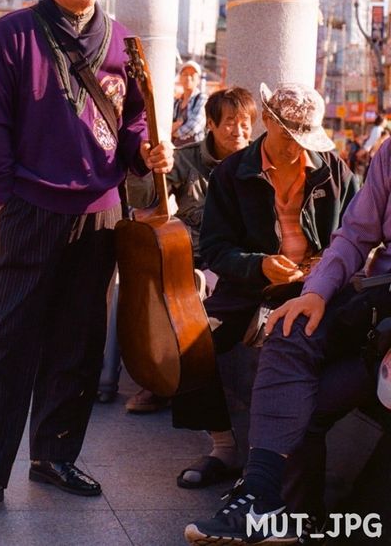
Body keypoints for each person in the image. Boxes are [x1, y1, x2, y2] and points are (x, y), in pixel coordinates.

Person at [0, 0, 174, 521]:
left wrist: (145, 152)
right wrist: (11, 196)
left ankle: (54, 455)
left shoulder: (123, 41)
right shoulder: (14, 33)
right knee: (6, 342)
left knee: (78, 343)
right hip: (31, 209)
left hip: (100, 214)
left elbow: (132, 123)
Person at [184, 135, 391, 546]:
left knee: (308, 404)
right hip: (375, 302)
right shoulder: (233, 171)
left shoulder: (332, 169)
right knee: (290, 324)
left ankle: (296, 516)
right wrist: (316, 291)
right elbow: (354, 235)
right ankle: (262, 497)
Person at [173, 82, 357, 491]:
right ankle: (223, 446)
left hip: (319, 288)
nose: (296, 146)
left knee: (303, 343)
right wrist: (259, 266)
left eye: (303, 138)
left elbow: (357, 235)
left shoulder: (334, 170)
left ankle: (280, 469)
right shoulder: (231, 173)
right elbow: (216, 249)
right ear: (268, 121)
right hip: (249, 286)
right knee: (189, 343)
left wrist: (325, 268)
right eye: (288, 136)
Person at [125, 86, 258, 414]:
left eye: (245, 123)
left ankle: (193, 384)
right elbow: (143, 200)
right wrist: (147, 165)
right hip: (192, 255)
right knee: (162, 290)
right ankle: (158, 378)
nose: (238, 131)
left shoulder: (258, 162)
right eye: (229, 122)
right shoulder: (187, 159)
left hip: (237, 260)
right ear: (210, 124)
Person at [172, 60, 207, 147]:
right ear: (180, 78)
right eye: (185, 74)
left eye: (192, 74)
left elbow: (195, 125)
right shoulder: (176, 102)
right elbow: (168, 123)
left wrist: (175, 132)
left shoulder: (202, 98)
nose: (188, 77)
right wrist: (174, 126)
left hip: (195, 150)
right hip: (176, 149)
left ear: (198, 79)